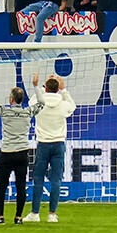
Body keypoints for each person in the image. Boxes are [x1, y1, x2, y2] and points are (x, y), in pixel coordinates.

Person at [0, 71, 45, 225]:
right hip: (23, 153)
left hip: (7, 153)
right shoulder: (28, 112)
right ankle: (18, 218)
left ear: (11, 99)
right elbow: (42, 103)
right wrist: (36, 87)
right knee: (21, 186)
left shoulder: (4, 111)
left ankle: (0, 217)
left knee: (2, 186)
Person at [23, 75, 76, 224]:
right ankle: (52, 214)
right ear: (57, 89)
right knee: (56, 180)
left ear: (46, 89)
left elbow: (30, 102)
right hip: (58, 144)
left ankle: (35, 213)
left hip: (43, 144)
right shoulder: (63, 104)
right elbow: (72, 106)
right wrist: (64, 89)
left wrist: (40, 87)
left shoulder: (40, 102)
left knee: (38, 178)